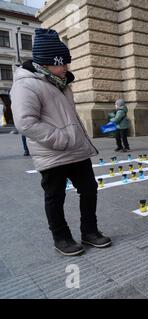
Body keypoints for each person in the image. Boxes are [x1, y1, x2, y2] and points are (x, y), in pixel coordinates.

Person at [10, 28, 111, 256]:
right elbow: (25, 123)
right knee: (55, 197)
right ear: (45, 63)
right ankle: (61, 238)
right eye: (61, 63)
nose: (66, 67)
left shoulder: (61, 82)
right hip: (53, 153)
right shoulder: (26, 84)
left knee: (89, 190)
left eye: (67, 62)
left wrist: (74, 138)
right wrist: (62, 139)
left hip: (76, 150)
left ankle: (89, 231)